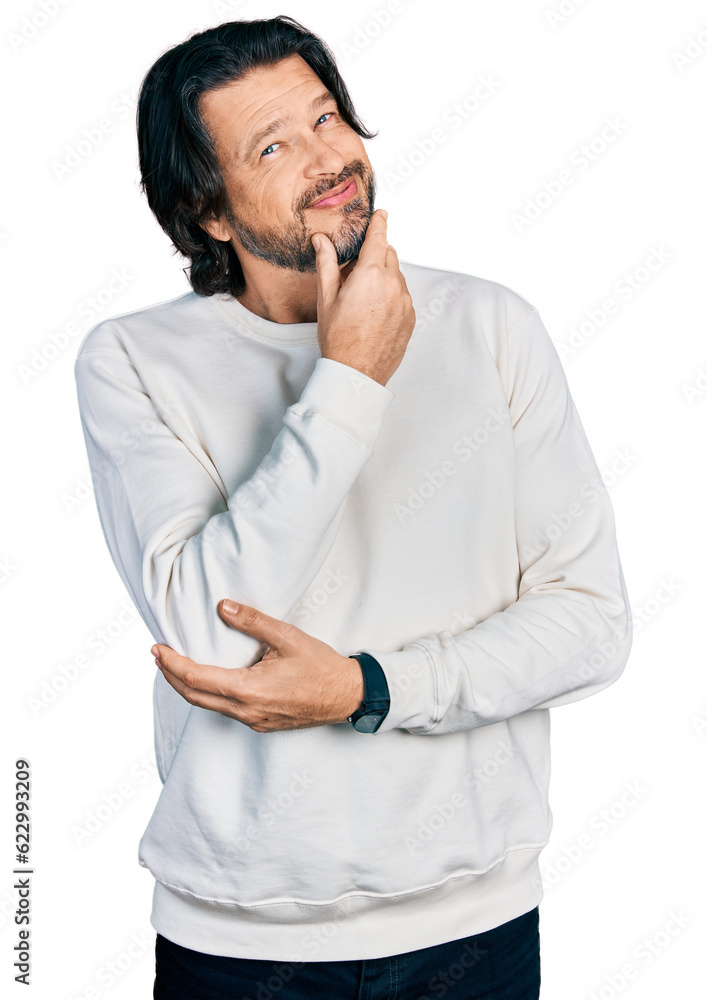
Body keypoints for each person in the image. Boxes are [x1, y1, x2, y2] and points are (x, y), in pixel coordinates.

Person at [73, 15, 632, 1000]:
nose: (327, 158)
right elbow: (210, 631)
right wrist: (350, 378)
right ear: (208, 211)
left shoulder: (491, 325)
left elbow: (590, 626)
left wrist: (368, 688)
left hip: (475, 929)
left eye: (326, 117)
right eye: (272, 147)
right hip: (237, 946)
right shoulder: (131, 360)